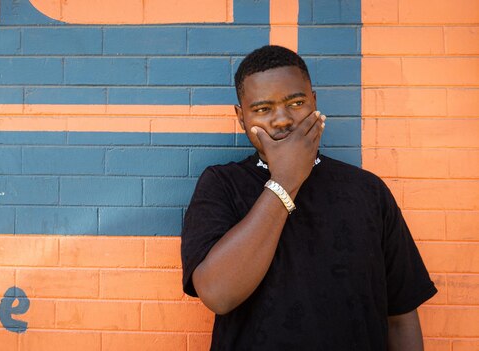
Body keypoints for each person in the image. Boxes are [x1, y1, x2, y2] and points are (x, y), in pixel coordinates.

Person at [180, 45, 436, 350]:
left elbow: (401, 317)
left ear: (314, 101)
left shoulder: (368, 192)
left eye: (296, 102)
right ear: (241, 117)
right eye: (262, 109)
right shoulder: (221, 185)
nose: (282, 119)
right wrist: (285, 180)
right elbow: (218, 294)